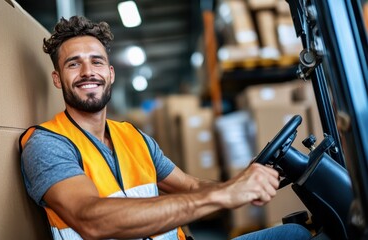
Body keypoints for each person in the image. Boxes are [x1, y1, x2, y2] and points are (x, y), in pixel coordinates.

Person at [19, 16, 312, 240]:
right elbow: (91, 219)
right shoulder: (47, 144)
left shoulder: (132, 137)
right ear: (57, 79)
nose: (87, 72)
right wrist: (223, 195)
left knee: (295, 234)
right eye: (73, 64)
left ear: (110, 73)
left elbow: (193, 186)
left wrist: (242, 183)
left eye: (96, 62)